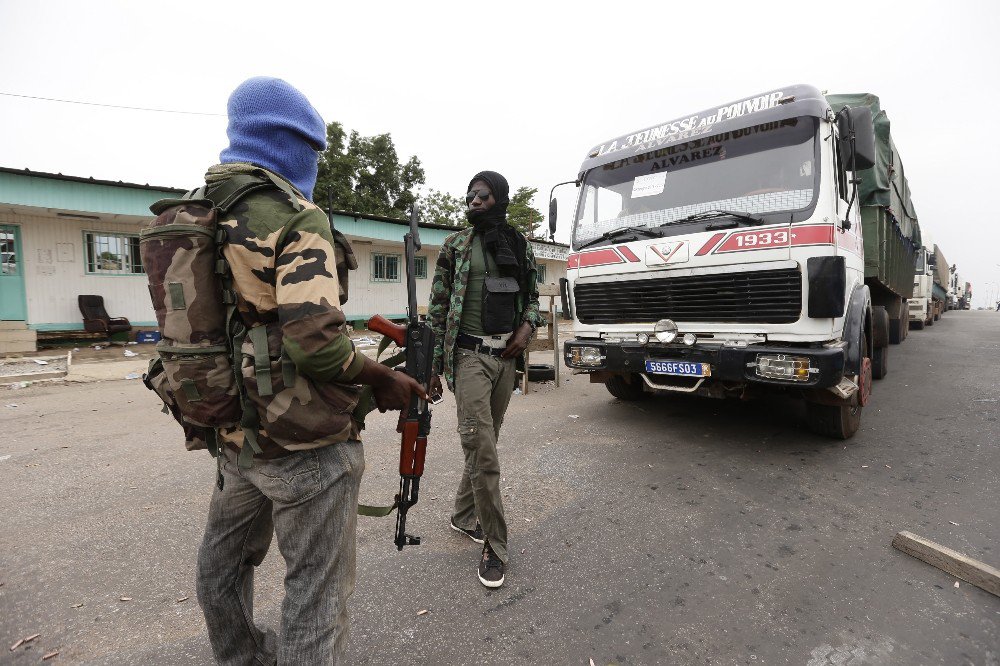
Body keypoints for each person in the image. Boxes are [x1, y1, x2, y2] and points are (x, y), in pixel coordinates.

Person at [193, 77, 424, 664]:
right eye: (314, 151)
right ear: (292, 143)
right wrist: (383, 379)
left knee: (221, 569)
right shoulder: (296, 217)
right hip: (303, 446)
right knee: (315, 597)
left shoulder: (199, 211)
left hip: (235, 437)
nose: (315, 164)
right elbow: (318, 346)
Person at [427, 170, 543, 588]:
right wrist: (433, 366)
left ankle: (462, 515)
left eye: (484, 194)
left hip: (506, 359)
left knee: (484, 442)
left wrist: (526, 330)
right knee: (484, 451)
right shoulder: (456, 245)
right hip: (469, 356)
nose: (474, 200)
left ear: (500, 199)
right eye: (471, 194)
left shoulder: (518, 243)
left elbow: (532, 299)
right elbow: (437, 309)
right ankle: (495, 544)